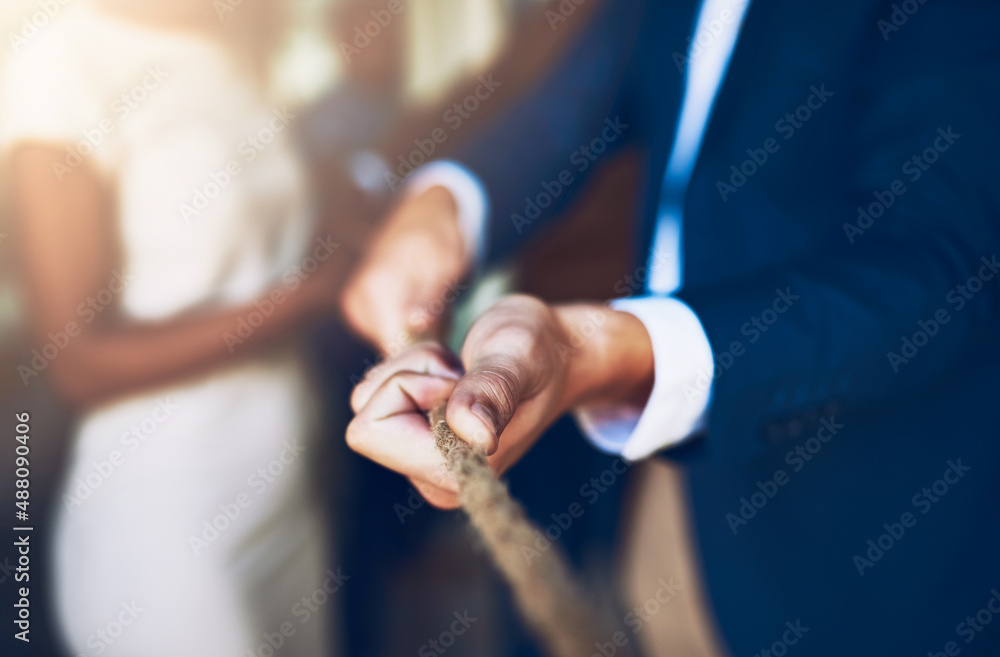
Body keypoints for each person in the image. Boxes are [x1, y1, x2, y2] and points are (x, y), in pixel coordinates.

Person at [341, 0, 1000, 655]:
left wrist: (609, 353)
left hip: (867, 526)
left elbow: (943, 265)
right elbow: (582, 93)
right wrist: (447, 200)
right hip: (674, 484)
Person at [0, 1, 340, 654]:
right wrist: (304, 301)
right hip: (167, 517)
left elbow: (261, 247)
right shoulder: (62, 64)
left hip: (286, 496)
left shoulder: (231, 46)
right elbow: (77, 360)